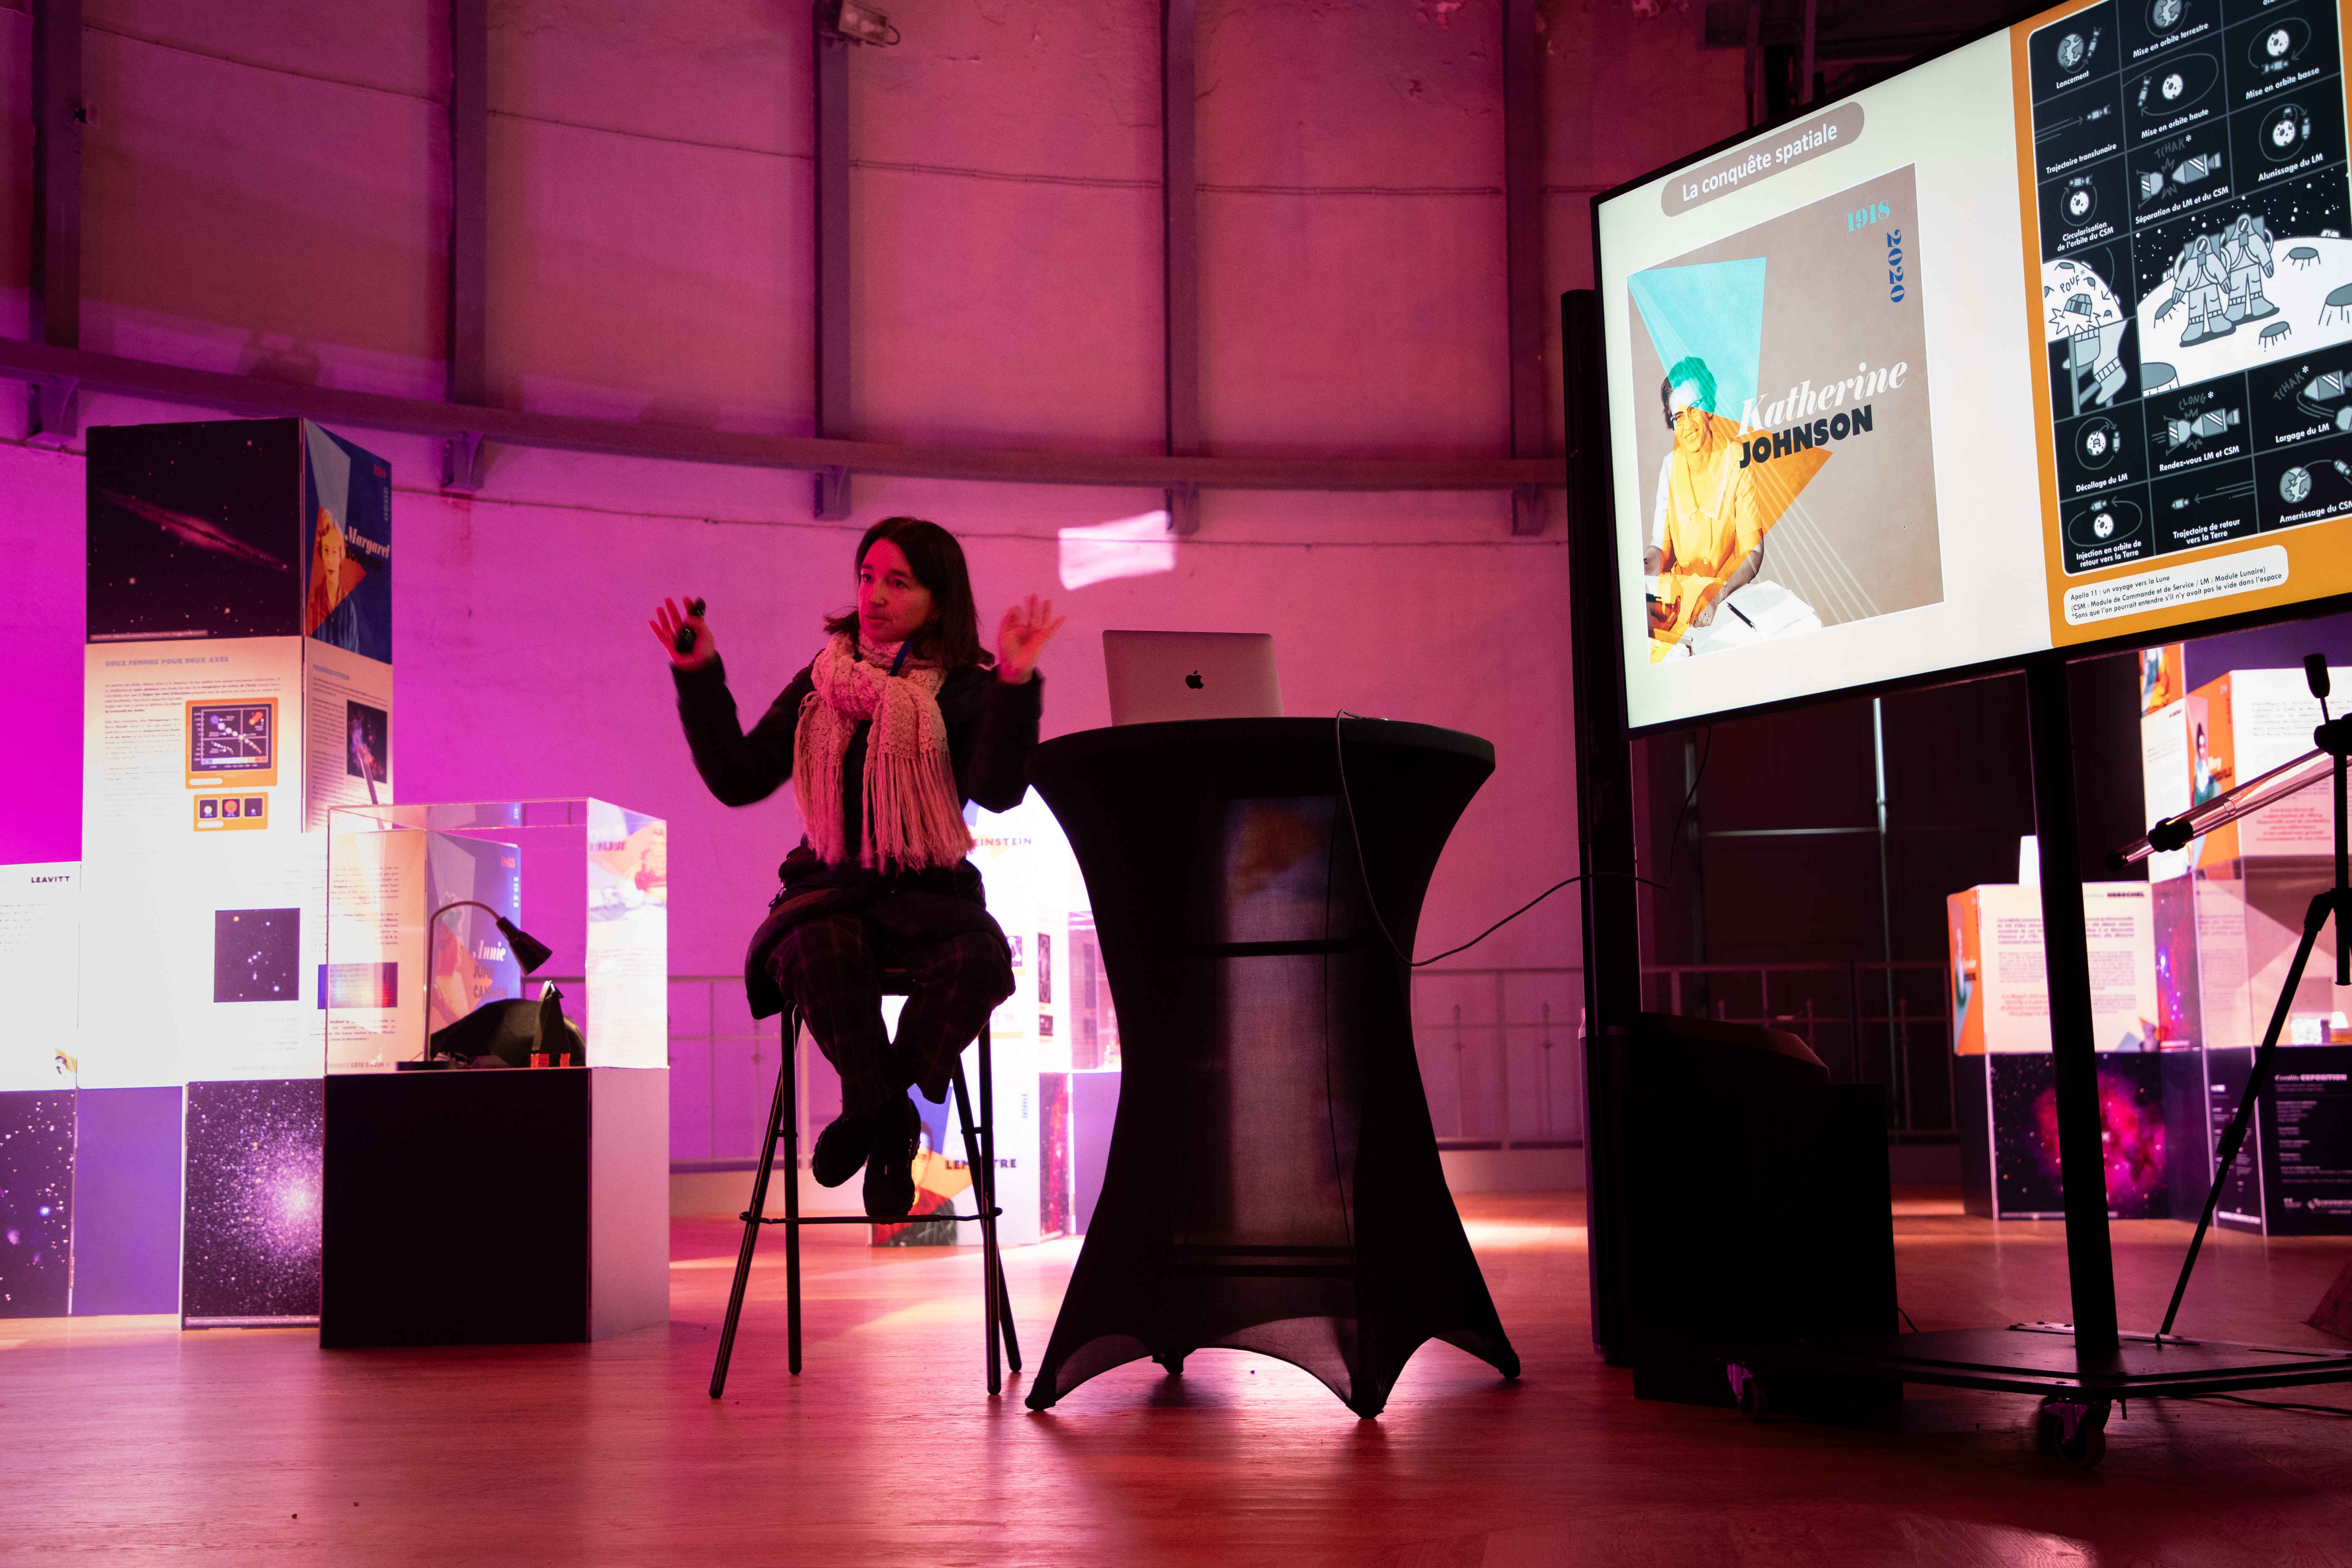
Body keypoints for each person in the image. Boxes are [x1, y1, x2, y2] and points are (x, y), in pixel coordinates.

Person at [651, 518, 1064, 1218]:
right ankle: (894, 1122)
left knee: (978, 962)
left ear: (938, 599)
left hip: (932, 890)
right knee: (817, 952)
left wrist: (1015, 683)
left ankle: (869, 1109)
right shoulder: (824, 679)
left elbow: (997, 790)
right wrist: (699, 676)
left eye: (897, 582)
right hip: (830, 885)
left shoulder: (969, 688)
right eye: (867, 576)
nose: (873, 595)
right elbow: (739, 777)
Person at [1645, 355, 1765, 654]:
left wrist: (1717, 592)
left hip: (1727, 598)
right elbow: (1660, 548)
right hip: (1681, 604)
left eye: (1694, 409)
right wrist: (1641, 572)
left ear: (1709, 407)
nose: (1688, 425)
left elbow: (1754, 551)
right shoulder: (1669, 467)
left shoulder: (1738, 460)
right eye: (1678, 417)